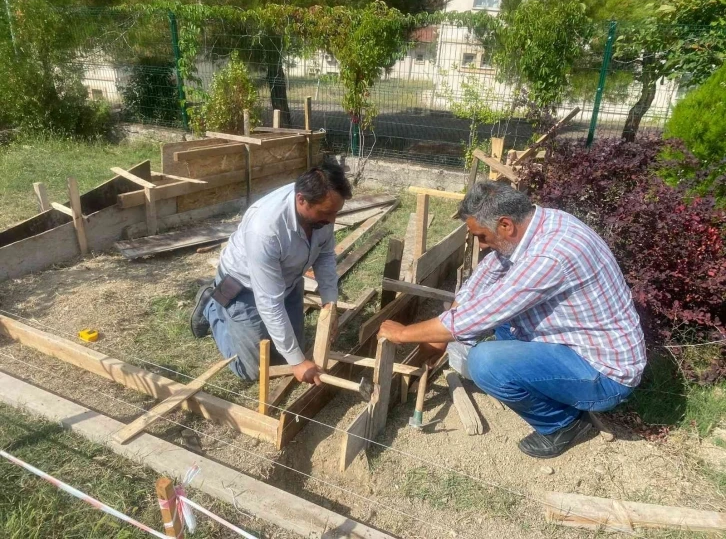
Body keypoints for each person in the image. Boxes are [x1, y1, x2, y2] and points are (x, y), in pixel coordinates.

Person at [378, 181, 646, 458]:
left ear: (506, 225)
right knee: (499, 323)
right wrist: (440, 334)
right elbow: (485, 280)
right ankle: (554, 390)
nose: (481, 246)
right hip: (579, 347)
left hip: (605, 376)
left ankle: (563, 425)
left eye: (482, 236)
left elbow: (478, 317)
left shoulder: (550, 254)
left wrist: (402, 334)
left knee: (486, 362)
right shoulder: (539, 225)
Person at [190, 160, 353, 386]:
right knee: (255, 370)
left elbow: (325, 256)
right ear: (301, 200)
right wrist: (297, 362)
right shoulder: (265, 229)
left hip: (288, 279)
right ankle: (212, 307)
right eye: (327, 213)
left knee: (283, 354)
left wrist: (329, 303)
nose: (332, 221)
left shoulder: (323, 210)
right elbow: (269, 301)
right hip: (243, 287)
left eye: (336, 213)